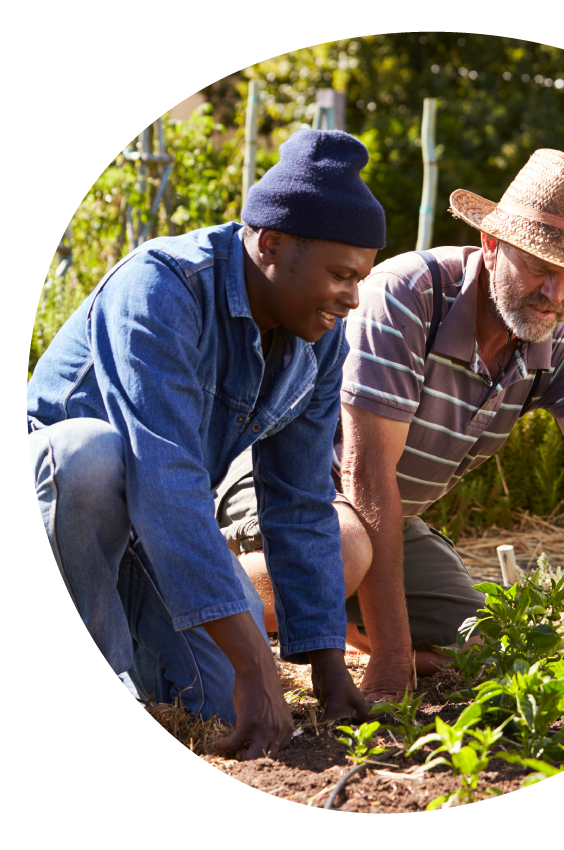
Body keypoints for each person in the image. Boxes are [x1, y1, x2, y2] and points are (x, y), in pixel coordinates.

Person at [215, 148, 564, 702]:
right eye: (541, 268)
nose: (556, 293)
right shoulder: (409, 295)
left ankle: (340, 627)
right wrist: (394, 658)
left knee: (493, 643)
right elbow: (365, 473)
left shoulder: (558, 343)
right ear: (492, 248)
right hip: (286, 486)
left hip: (384, 519)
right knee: (346, 550)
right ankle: (186, 613)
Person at [27, 129, 384, 758]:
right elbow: (162, 477)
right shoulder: (164, 288)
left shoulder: (319, 341)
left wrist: (328, 672)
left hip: (150, 528)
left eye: (361, 279)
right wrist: (254, 663)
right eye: (340, 275)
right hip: (64, 505)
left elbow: (300, 503)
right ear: (271, 244)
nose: (353, 298)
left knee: (221, 706)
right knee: (90, 453)